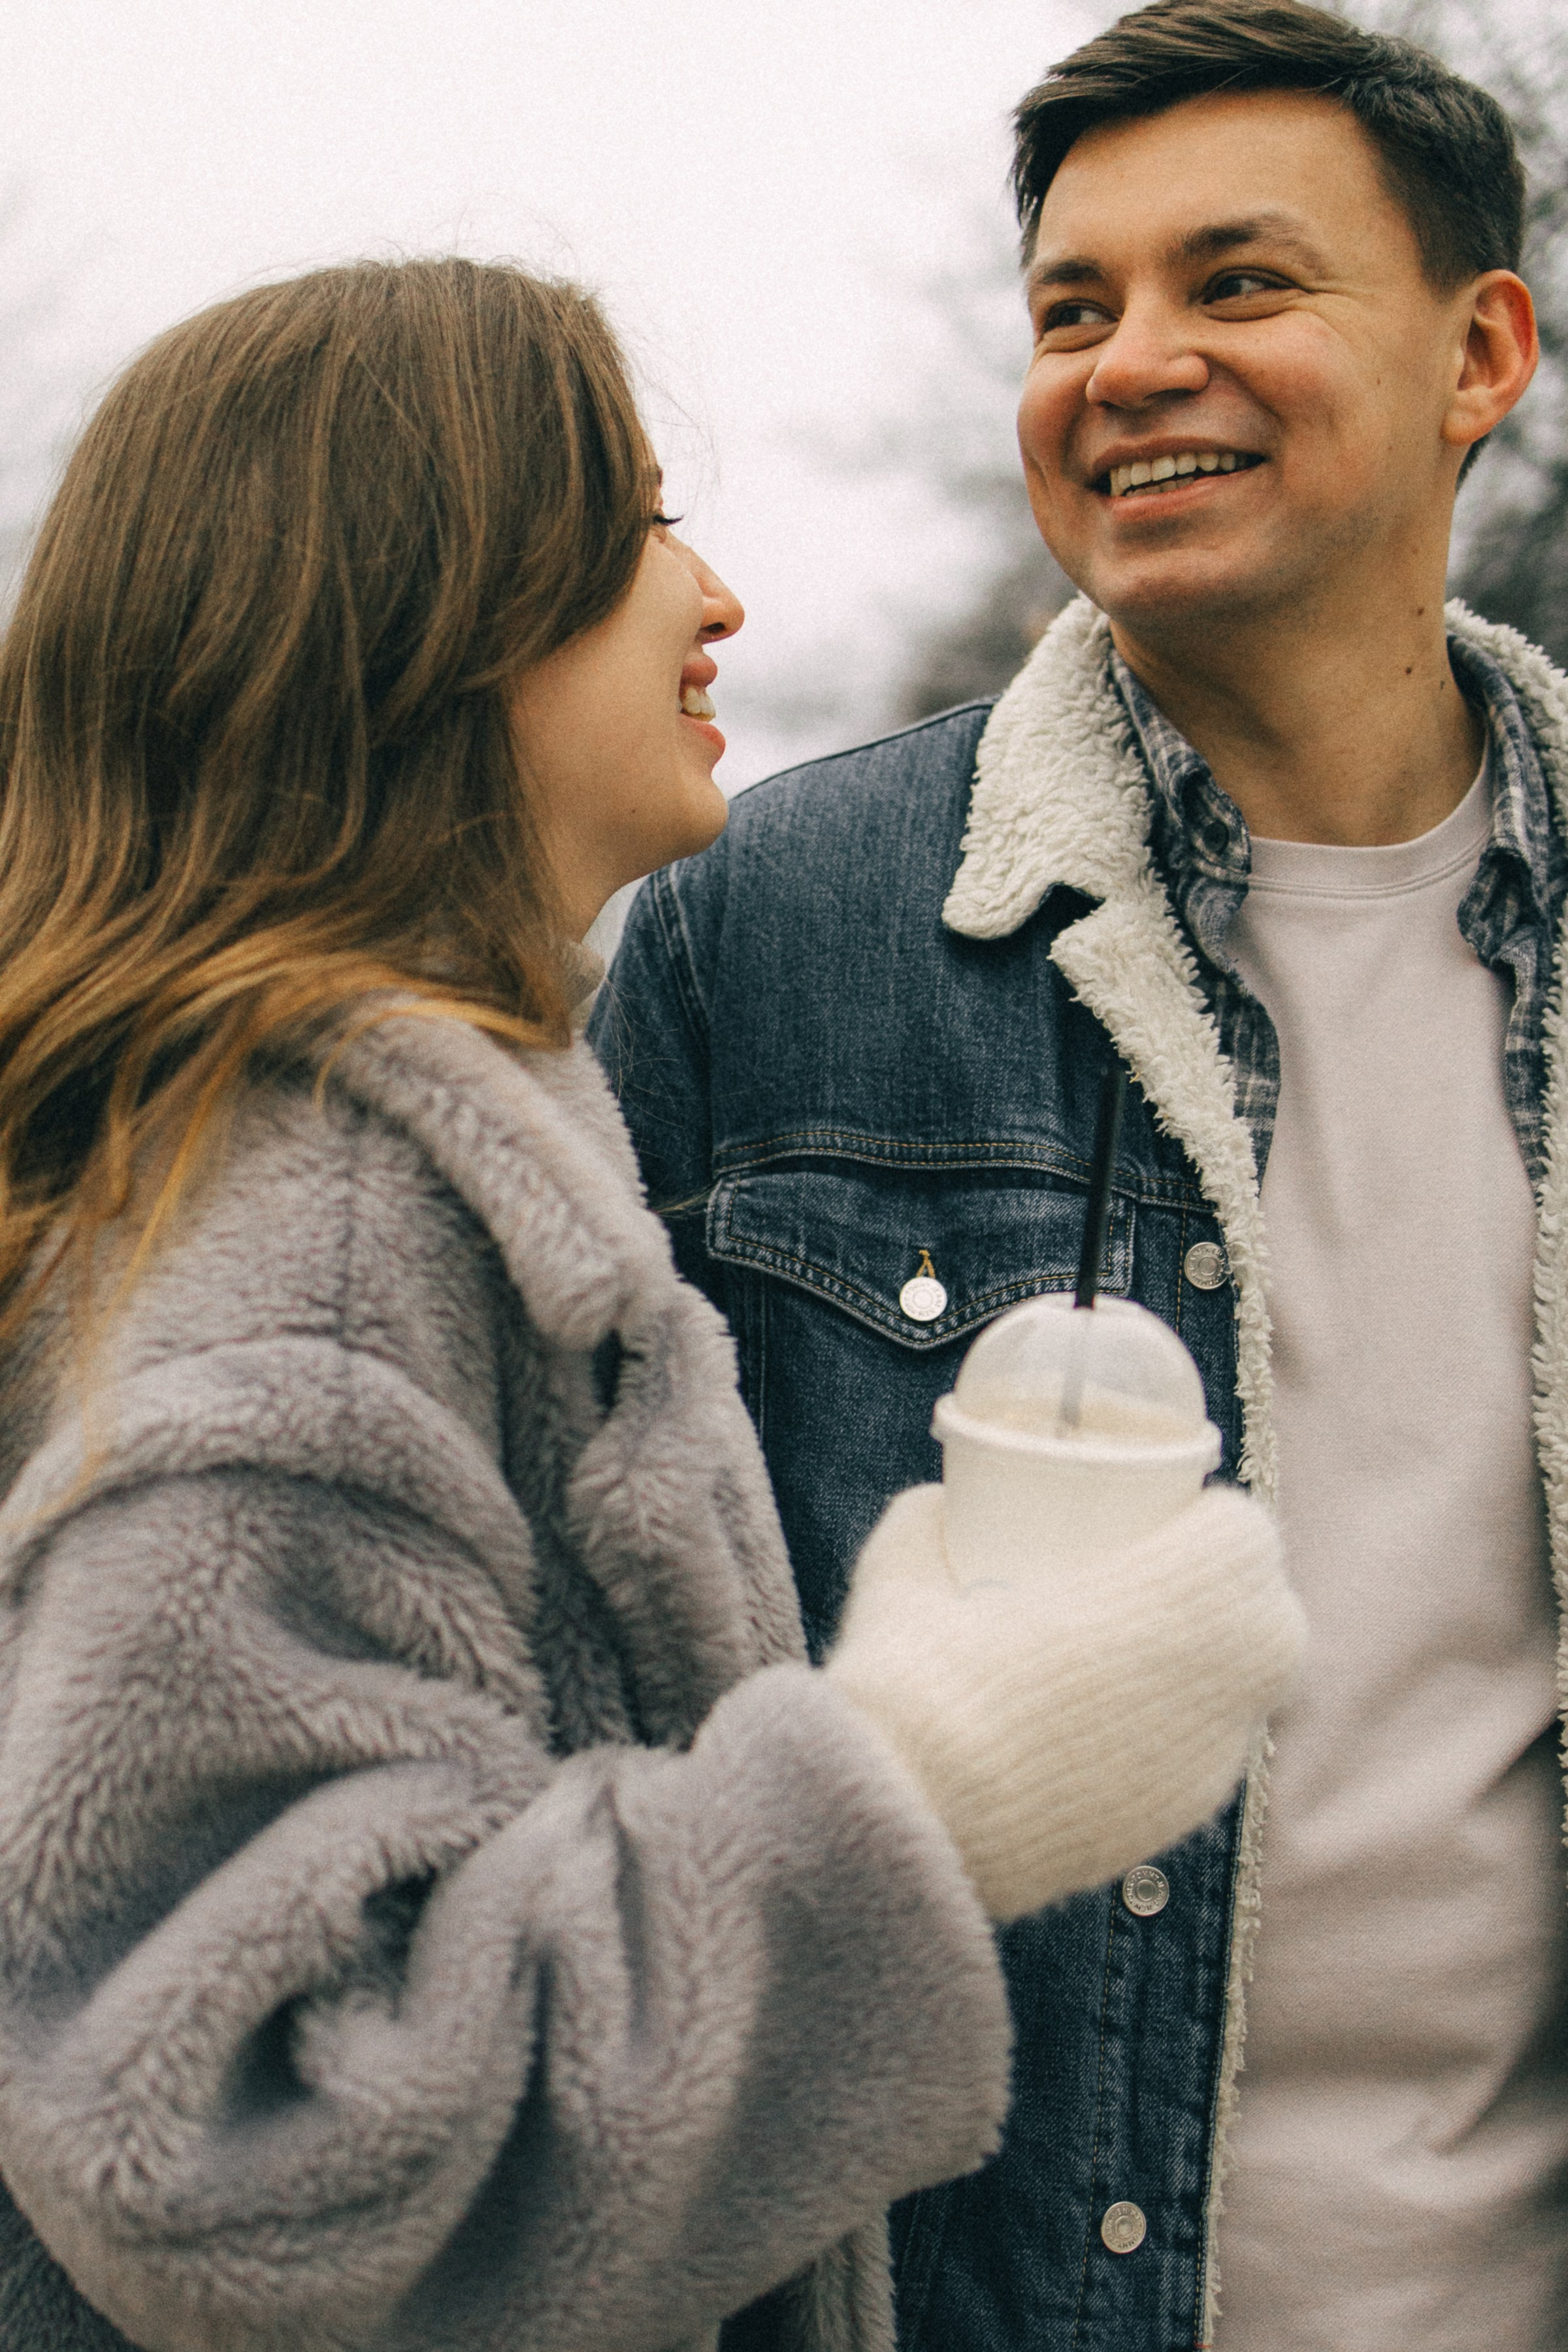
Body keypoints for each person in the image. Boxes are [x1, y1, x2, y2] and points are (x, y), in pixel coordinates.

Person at [0, 257, 1298, 2352]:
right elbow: (224, 2141)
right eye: (633, 526)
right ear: (428, 608)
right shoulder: (321, 1214)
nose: (715, 599)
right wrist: (925, 1782)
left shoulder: (332, 1147)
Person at [592, 2, 1567, 2345]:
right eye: (1073, 308)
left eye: (1238, 285)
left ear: (1480, 352)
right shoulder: (774, 927)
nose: (1131, 364)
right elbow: (572, 1703)